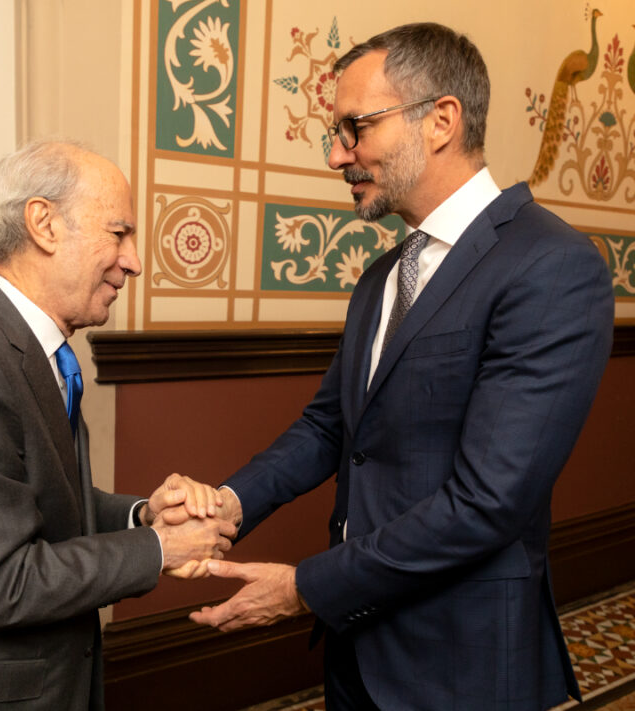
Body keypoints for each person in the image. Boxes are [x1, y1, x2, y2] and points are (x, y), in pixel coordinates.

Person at [190, 22, 614, 711]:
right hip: (356, 644)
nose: (337, 154)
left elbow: (487, 503)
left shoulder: (551, 266)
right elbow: (329, 428)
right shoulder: (383, 274)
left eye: (355, 128)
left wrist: (305, 586)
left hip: (461, 660)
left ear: (441, 120)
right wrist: (228, 503)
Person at [0, 140, 236, 710]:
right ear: (44, 224)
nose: (133, 260)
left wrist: (142, 514)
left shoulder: (35, 351)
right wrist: (160, 547)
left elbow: (33, 502)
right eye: (119, 233)